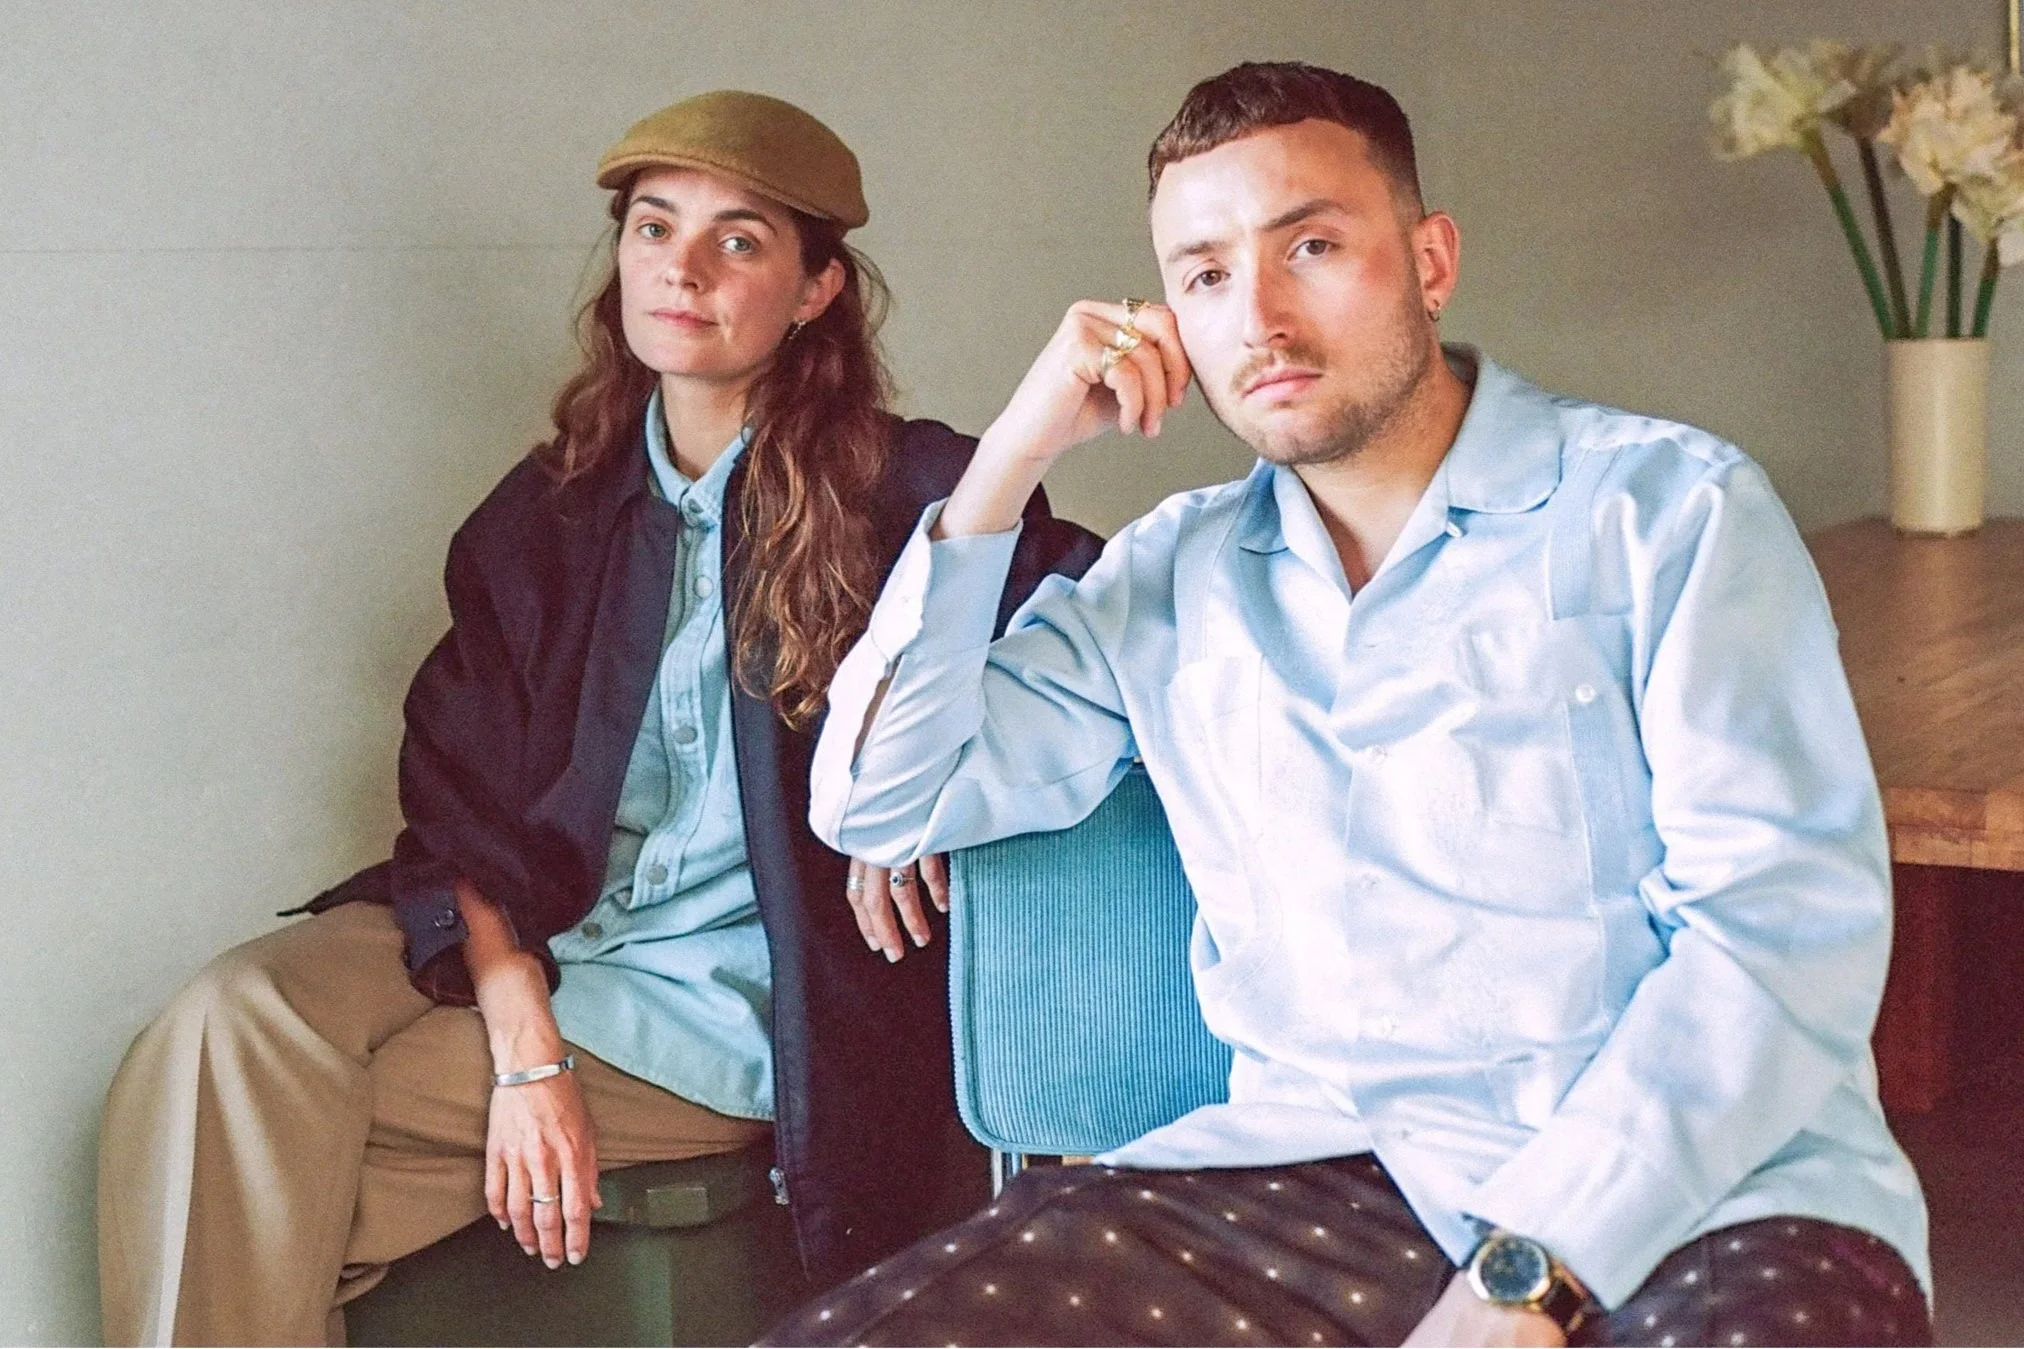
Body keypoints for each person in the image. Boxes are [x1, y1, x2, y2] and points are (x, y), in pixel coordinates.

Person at [774, 62, 1932, 1348]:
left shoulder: (1666, 510)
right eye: (1203, 275)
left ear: (1429, 262)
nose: (1256, 315)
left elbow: (1775, 936)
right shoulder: (1168, 573)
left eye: (1310, 245)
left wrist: (1526, 1281)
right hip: (1308, 1175)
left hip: (1704, 1187)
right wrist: (1010, 460)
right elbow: (876, 792)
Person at [96, 89, 1101, 1345]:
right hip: (530, 930)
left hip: (730, 997)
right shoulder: (548, 511)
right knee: (225, 1022)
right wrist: (524, 1043)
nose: (680, 269)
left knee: (264, 1157)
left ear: (813, 291)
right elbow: (457, 801)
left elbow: (1093, 661)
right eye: (650, 227)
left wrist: (918, 781)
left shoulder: (911, 490)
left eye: (737, 239)